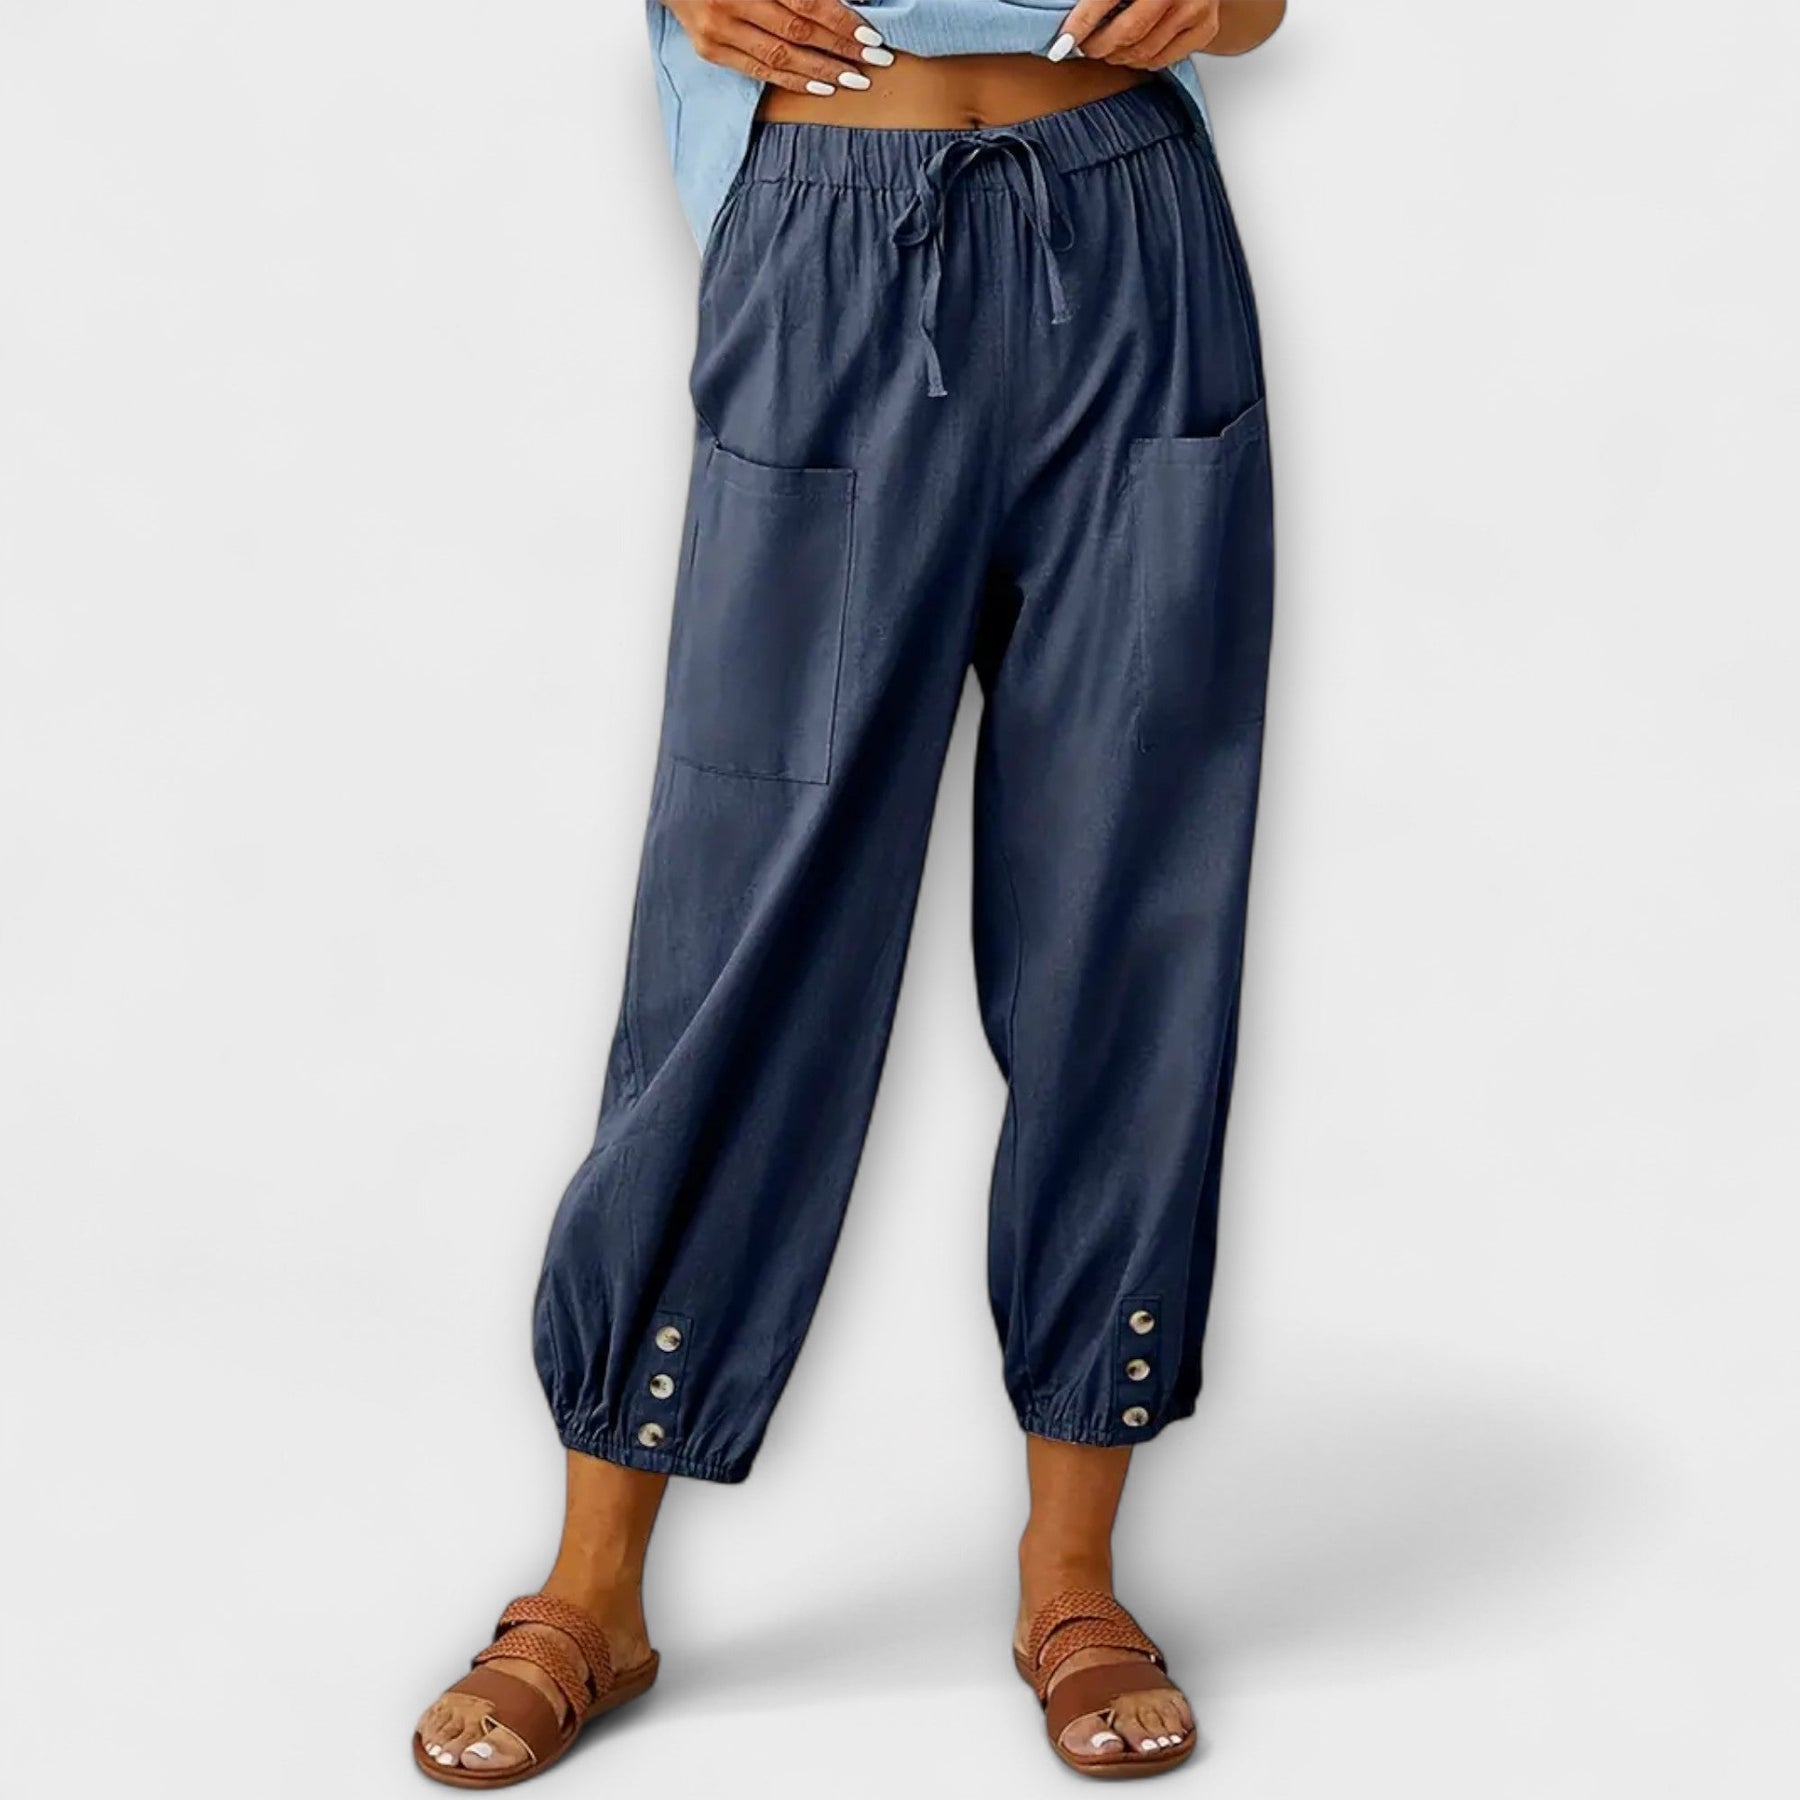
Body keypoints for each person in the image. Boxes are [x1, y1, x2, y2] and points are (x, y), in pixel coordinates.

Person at [412, 0, 1286, 1784]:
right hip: (828, 230)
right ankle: (595, 1585)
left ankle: (1072, 1576)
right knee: (746, 916)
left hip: (1133, 235)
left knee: (1131, 905)